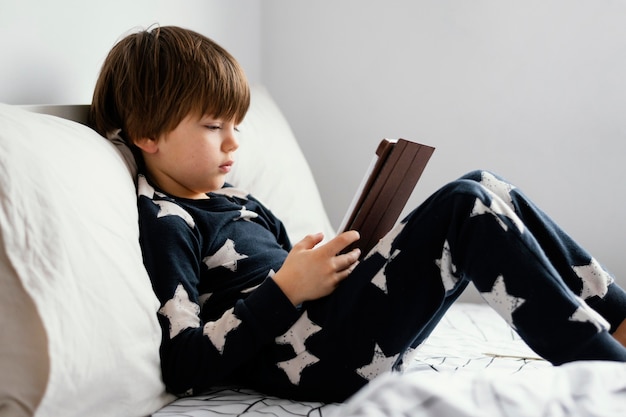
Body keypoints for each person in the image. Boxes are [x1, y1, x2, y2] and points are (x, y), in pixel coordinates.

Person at [89, 25, 626, 403]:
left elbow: (290, 275)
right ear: (146, 135)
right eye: (212, 126)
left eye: (237, 124)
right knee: (467, 206)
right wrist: (288, 288)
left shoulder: (243, 204)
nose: (234, 142)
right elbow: (183, 363)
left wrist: (332, 263)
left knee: (484, 185)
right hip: (319, 360)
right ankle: (605, 367)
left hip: (339, 331)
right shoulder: (167, 221)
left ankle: (619, 320)